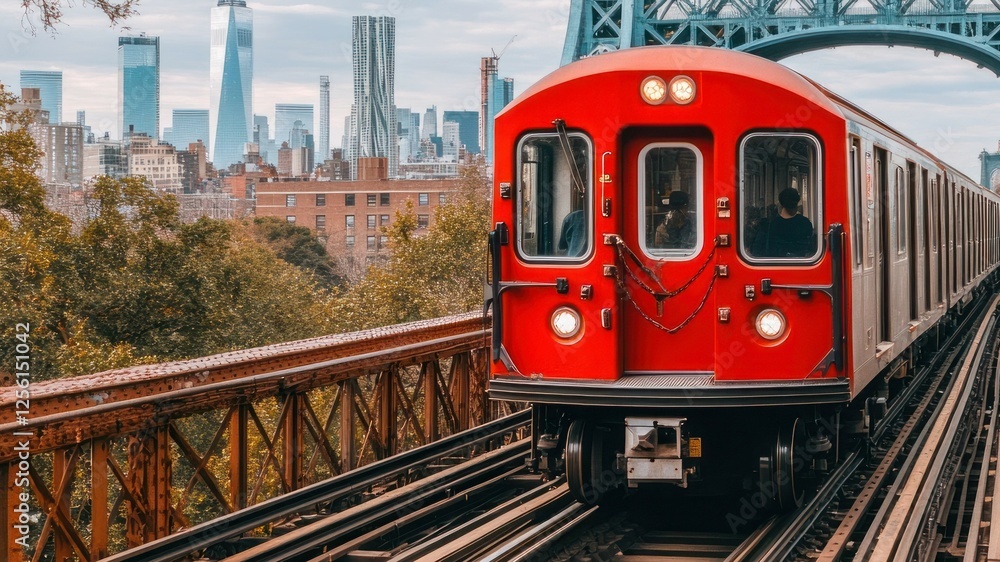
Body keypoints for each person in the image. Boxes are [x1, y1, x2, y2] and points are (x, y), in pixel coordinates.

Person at [751, 187, 814, 257]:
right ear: (797, 204)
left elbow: (758, 250)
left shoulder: (771, 225)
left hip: (776, 263)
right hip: (801, 263)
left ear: (780, 205)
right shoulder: (805, 223)